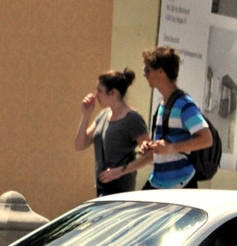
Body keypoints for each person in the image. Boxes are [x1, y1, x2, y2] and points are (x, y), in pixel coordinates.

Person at [125, 46, 213, 189]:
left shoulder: (185, 104)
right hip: (159, 182)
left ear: (160, 72)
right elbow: (163, 144)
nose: (144, 75)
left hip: (182, 184)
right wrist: (150, 146)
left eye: (147, 70)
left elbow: (206, 139)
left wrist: (171, 148)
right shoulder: (162, 105)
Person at [74, 68, 147, 196]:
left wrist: (119, 171)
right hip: (102, 187)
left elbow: (150, 154)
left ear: (113, 92)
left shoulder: (132, 119)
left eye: (100, 91)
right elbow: (80, 145)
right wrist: (86, 115)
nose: (96, 95)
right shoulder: (103, 115)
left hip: (121, 191)